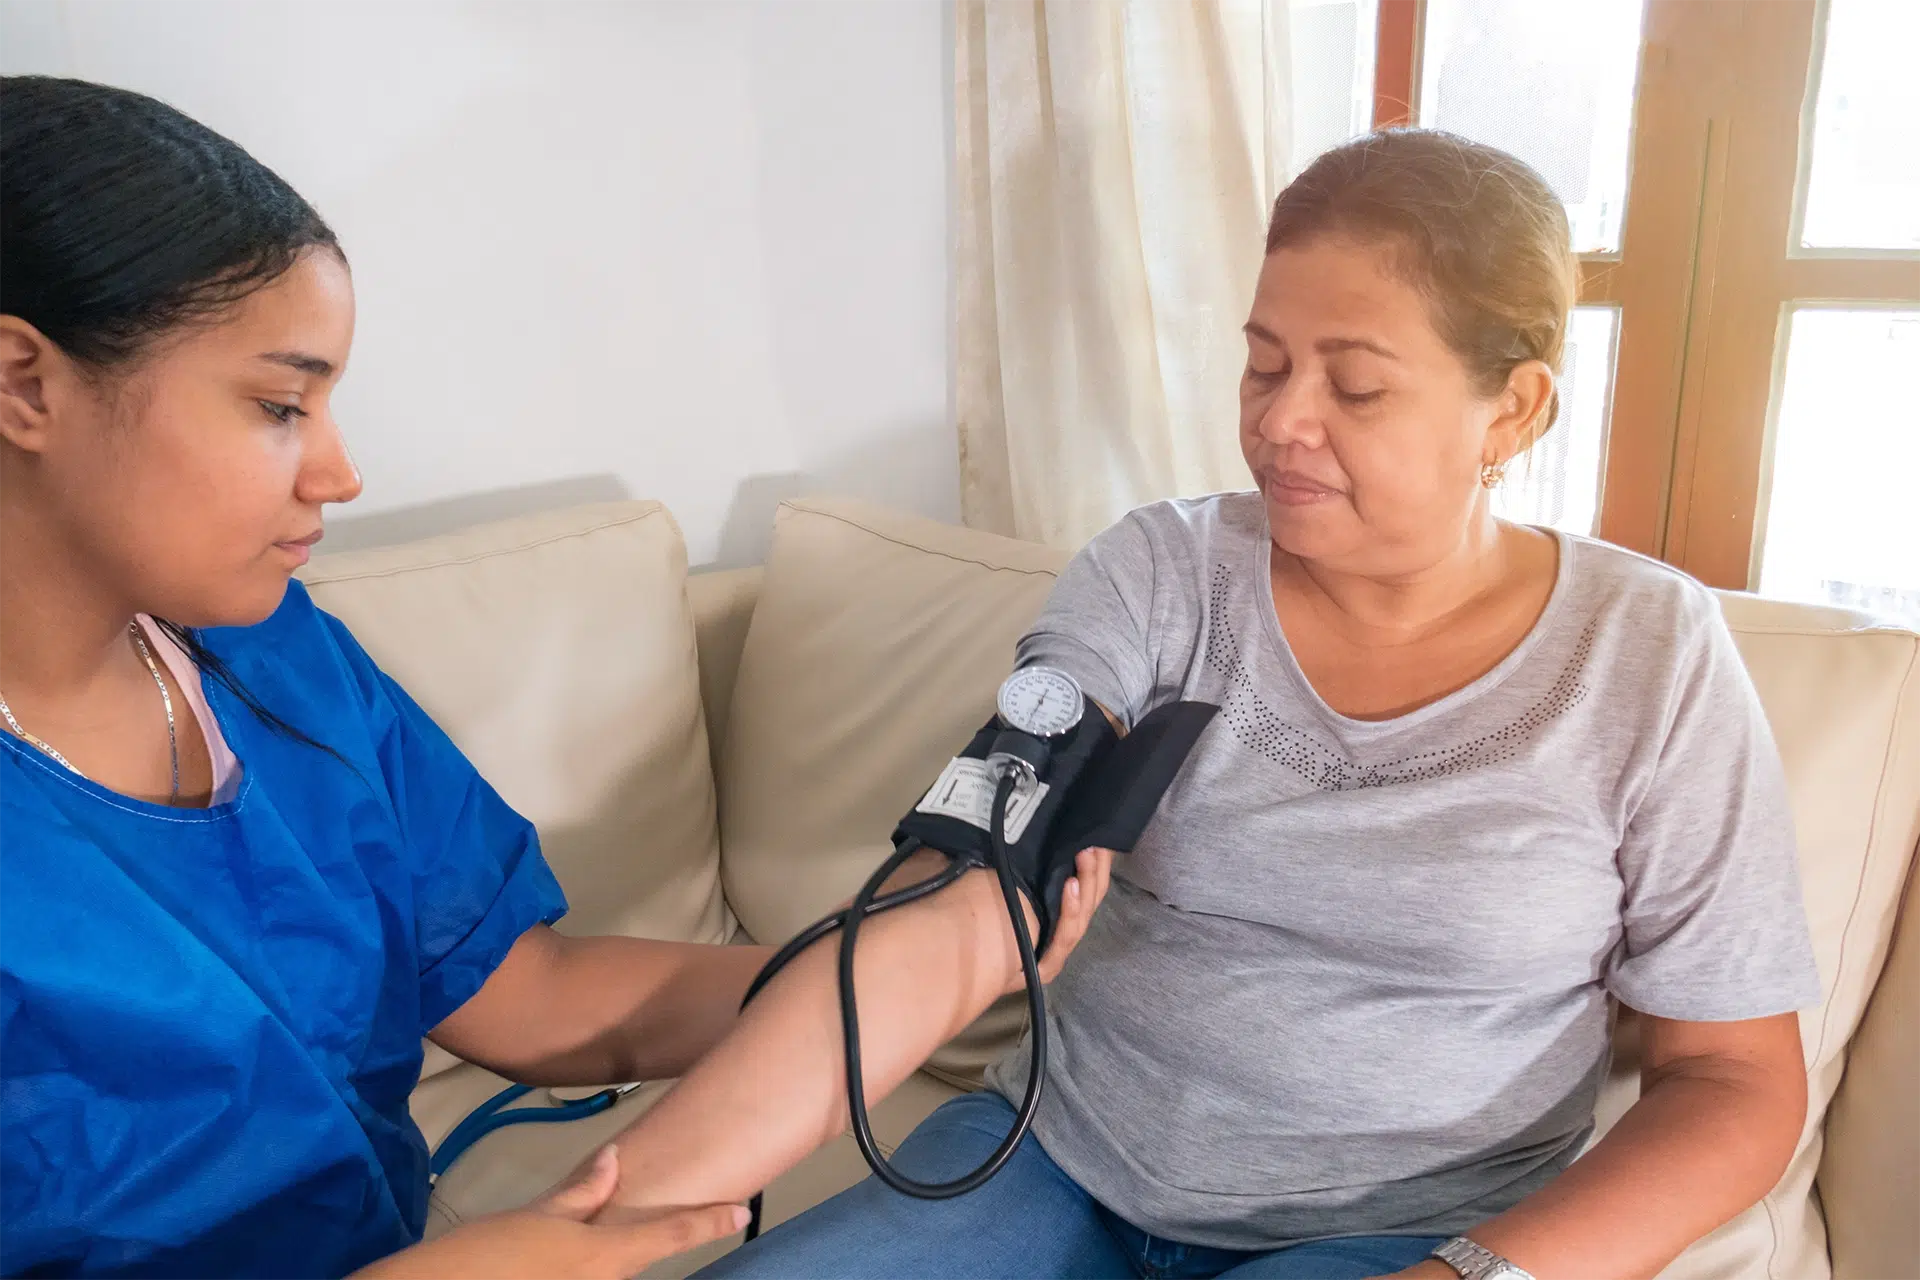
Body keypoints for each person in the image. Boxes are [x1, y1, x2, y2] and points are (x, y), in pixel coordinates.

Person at [567, 130, 1824, 1280]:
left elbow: (1731, 1077)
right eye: (1263, 363)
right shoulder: (1160, 576)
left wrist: (1469, 1277)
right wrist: (589, 1223)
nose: (1282, 422)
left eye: (1357, 386)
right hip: (1054, 1160)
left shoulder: (1648, 655)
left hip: (1398, 1234)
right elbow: (968, 896)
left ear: (1515, 405)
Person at [0, 76, 1110, 1279]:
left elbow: (536, 995)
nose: (339, 470)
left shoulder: (275, 660)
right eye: (278, 404)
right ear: (23, 383)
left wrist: (891, 966)